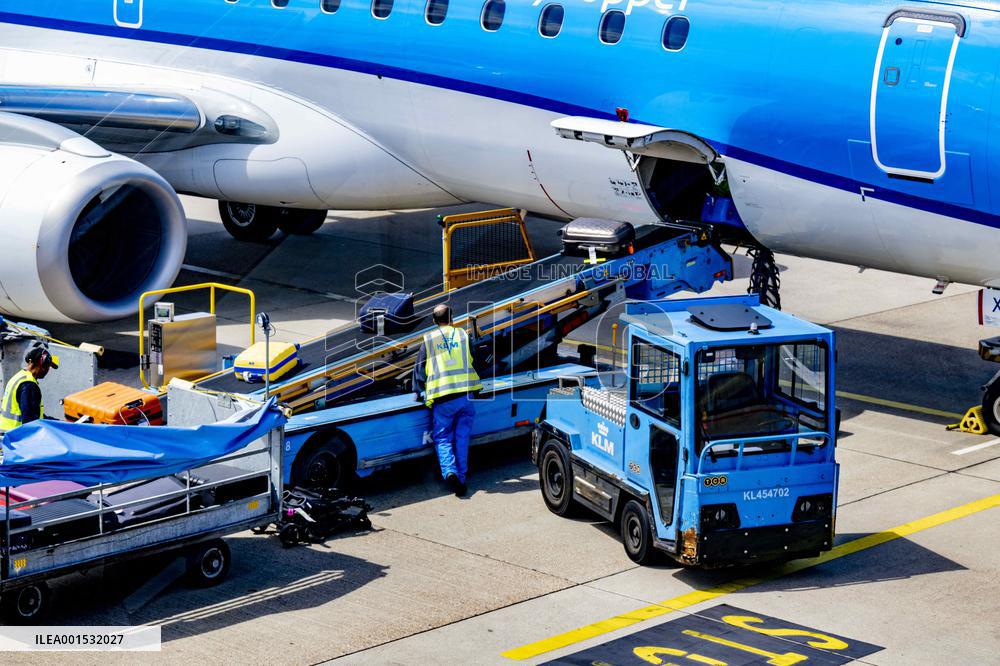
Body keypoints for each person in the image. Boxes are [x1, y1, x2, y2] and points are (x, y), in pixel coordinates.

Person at [414, 304, 482, 497]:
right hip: (465, 396)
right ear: (452, 318)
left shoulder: (428, 339)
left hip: (443, 399)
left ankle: (449, 471)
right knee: (462, 437)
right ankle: (461, 477)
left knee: (443, 438)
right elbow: (475, 359)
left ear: (434, 321)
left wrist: (418, 390)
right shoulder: (463, 335)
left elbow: (419, 369)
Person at [0, 346, 57, 432]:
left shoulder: (19, 377)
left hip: (6, 435)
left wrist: (56, 422)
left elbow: (33, 413)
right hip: (17, 437)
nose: (48, 370)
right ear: (43, 365)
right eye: (48, 366)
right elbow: (30, 422)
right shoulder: (29, 385)